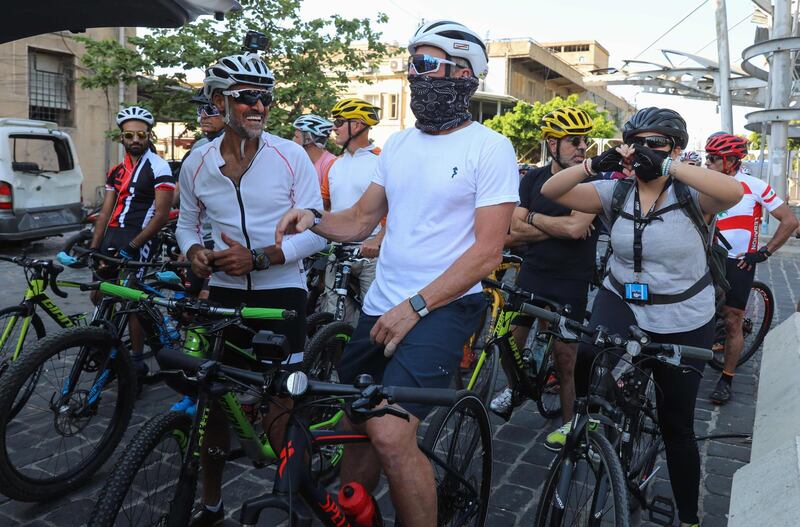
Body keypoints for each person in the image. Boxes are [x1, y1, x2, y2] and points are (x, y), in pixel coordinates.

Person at [275, 20, 518, 527]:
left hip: (443, 307)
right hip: (381, 303)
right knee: (358, 416)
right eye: (412, 65)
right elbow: (362, 219)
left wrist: (415, 307)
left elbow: (488, 252)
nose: (414, 76)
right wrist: (315, 218)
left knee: (390, 432)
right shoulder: (400, 145)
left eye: (426, 65)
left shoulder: (490, 147)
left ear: (464, 74)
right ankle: (351, 516)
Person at [541, 107, 743, 527]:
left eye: (657, 144)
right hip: (623, 301)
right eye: (638, 143)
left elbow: (733, 193)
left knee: (677, 426)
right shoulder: (615, 193)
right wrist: (594, 164)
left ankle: (688, 517)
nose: (645, 152)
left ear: (675, 149)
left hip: (684, 315)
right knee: (586, 353)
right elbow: (552, 191)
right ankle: (583, 422)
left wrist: (670, 167)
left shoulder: (693, 196)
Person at [175, 51, 327, 526]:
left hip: (280, 292)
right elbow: (185, 224)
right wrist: (193, 253)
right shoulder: (197, 161)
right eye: (246, 98)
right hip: (222, 292)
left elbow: (316, 231)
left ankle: (295, 496)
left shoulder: (290, 154)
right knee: (214, 404)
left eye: (266, 97)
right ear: (219, 101)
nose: (259, 106)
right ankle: (213, 503)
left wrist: (262, 256)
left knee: (283, 405)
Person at [489, 108, 599, 450]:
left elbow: (577, 228)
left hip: (571, 281)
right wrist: (557, 229)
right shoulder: (533, 179)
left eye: (585, 140)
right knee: (504, 338)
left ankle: (570, 429)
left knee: (566, 361)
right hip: (531, 275)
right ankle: (515, 387)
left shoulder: (592, 183)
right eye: (573, 141)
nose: (582, 147)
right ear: (552, 144)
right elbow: (515, 228)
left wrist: (534, 221)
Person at [704, 133, 798, 404]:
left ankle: (727, 377)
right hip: (708, 256)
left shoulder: (754, 185)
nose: (707, 162)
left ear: (731, 160)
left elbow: (789, 221)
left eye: (713, 158)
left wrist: (764, 252)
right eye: (707, 157)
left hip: (738, 261)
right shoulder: (705, 183)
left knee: (733, 319)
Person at [90, 105, 175, 380]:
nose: (135, 140)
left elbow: (161, 215)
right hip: (113, 234)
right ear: (121, 138)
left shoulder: (158, 166)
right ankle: (105, 345)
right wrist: (93, 247)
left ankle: (136, 361)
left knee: (131, 299)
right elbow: (105, 212)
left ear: (149, 135)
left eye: (141, 134)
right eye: (129, 136)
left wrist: (134, 245)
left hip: (140, 235)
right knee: (100, 292)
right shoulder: (116, 170)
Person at [318, 98, 384, 321]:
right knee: (332, 317)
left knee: (373, 319)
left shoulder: (382, 160)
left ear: (357, 125)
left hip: (373, 251)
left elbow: (399, 208)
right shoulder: (334, 164)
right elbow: (323, 207)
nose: (333, 128)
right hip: (338, 250)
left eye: (338, 122)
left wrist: (379, 239)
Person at [292, 113, 337, 187]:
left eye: (296, 136)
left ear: (308, 140)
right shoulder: (303, 162)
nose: (293, 140)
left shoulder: (330, 164)